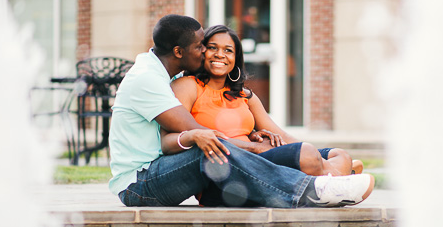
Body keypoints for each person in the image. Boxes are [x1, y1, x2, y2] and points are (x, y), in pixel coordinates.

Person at [108, 14, 374, 208]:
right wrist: (251, 147)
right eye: (203, 46)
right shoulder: (149, 79)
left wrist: (257, 137)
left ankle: (330, 179)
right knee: (207, 148)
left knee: (320, 152)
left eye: (226, 50)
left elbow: (192, 133)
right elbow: (194, 131)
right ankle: (312, 189)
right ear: (178, 52)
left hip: (164, 170)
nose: (205, 53)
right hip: (138, 183)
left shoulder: (159, 74)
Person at [162, 24, 365, 178]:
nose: (220, 55)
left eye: (228, 50)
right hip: (233, 165)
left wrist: (318, 156)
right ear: (202, 52)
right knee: (308, 155)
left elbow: (280, 134)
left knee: (339, 154)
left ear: (235, 59)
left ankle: (331, 172)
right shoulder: (188, 86)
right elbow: (174, 137)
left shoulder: (244, 95)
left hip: (262, 154)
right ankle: (340, 178)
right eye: (213, 48)